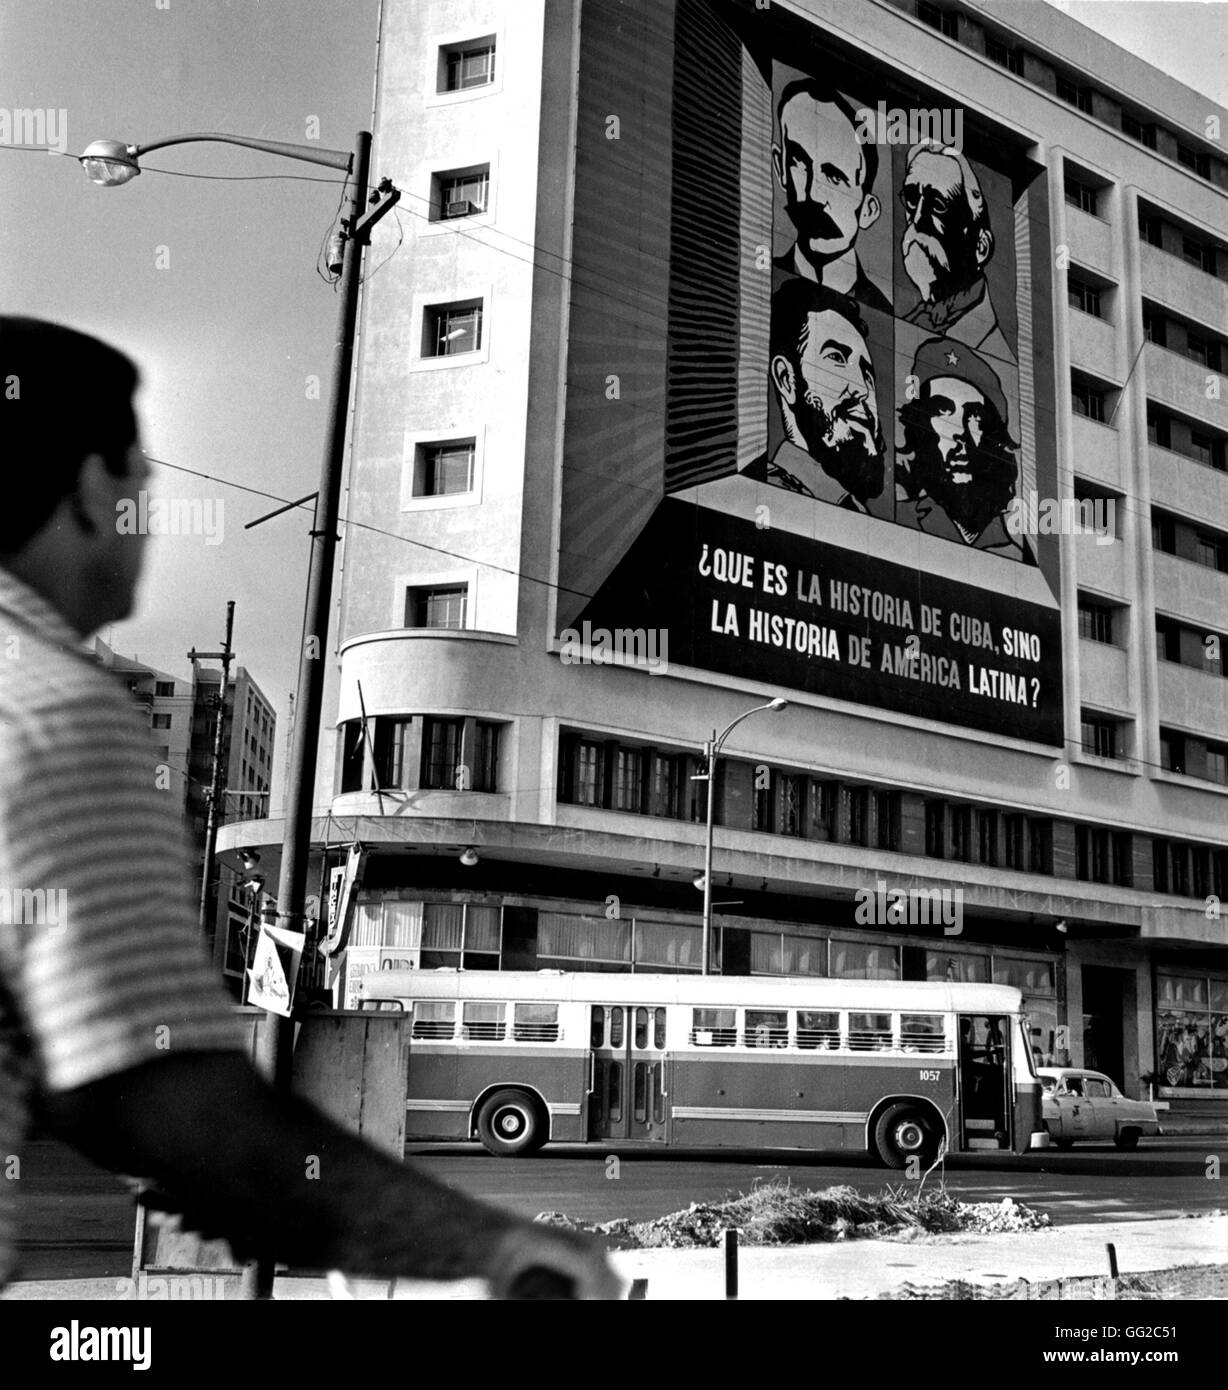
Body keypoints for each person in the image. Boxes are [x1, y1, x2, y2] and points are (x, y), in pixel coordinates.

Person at [0, 316, 620, 1299]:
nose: (151, 518)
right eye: (141, 484)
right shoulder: (50, 711)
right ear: (89, 489)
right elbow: (184, 1121)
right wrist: (495, 1251)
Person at [742, 279, 886, 511]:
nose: (862, 389)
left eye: (867, 374)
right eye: (837, 358)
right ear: (786, 379)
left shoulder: (853, 511)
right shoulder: (761, 493)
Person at [896, 336, 1026, 558]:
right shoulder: (901, 520)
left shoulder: (1014, 553)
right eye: (941, 411)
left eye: (974, 417)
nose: (959, 433)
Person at [772, 78, 891, 311]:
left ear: (868, 210)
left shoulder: (882, 313)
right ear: (779, 167)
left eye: (835, 176)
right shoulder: (761, 282)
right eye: (799, 162)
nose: (813, 194)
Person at [899, 140, 1014, 365]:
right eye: (912, 199)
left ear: (981, 247)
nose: (917, 218)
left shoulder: (994, 358)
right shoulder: (906, 325)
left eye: (939, 204)